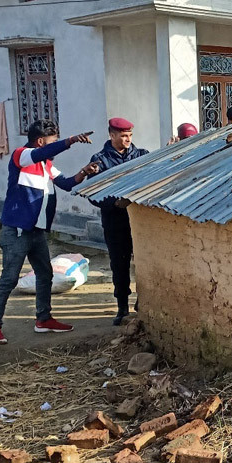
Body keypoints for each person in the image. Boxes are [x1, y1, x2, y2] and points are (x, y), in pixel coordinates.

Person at [0, 121, 97, 344]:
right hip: (16, 230)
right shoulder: (22, 155)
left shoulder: (46, 165)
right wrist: (71, 140)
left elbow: (66, 183)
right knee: (9, 279)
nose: (54, 147)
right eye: (52, 141)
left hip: (36, 231)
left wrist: (84, 172)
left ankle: (43, 319)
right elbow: (45, 152)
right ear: (41, 141)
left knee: (45, 274)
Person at [87, 118, 149, 326]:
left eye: (130, 136)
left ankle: (144, 302)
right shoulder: (100, 161)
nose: (127, 140)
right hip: (115, 222)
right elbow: (92, 193)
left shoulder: (141, 155)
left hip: (140, 222)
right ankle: (122, 306)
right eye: (123, 136)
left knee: (144, 264)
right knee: (119, 265)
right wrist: (114, 203)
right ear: (112, 135)